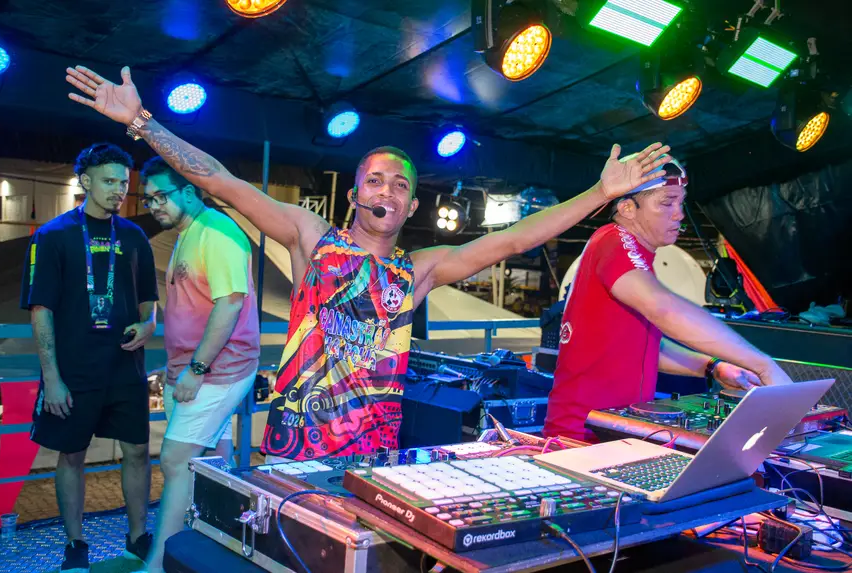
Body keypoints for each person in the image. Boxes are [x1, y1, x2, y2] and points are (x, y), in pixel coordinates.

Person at [65, 64, 672, 463]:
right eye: (375, 181)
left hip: (375, 454)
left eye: (400, 185)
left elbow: (513, 241)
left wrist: (599, 194)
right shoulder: (313, 238)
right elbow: (221, 181)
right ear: (356, 194)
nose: (387, 191)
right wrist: (141, 123)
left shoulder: (419, 270)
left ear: (411, 205)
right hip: (298, 449)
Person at [543, 157, 794, 442]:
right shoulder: (614, 241)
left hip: (614, 430)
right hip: (581, 436)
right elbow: (664, 308)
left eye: (680, 203)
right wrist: (763, 365)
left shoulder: (630, 253)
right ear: (627, 208)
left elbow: (647, 348)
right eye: (666, 203)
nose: (679, 214)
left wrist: (713, 366)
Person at [20, 143, 158, 572]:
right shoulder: (53, 235)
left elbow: (149, 301)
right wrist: (51, 377)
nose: (119, 190)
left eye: (124, 182)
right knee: (72, 455)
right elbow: (41, 310)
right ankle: (75, 544)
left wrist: (149, 324)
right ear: (86, 181)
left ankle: (138, 538)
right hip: (75, 370)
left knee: (138, 452)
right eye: (109, 181)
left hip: (126, 368)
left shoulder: (134, 236)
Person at [138, 157, 260, 572]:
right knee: (214, 465)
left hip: (217, 371)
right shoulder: (188, 234)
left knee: (176, 461)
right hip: (192, 370)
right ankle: (217, 551)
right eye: (149, 198)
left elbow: (230, 304)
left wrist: (197, 369)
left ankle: (156, 565)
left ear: (189, 191)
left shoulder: (218, 232)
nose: (154, 205)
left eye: (162, 196)